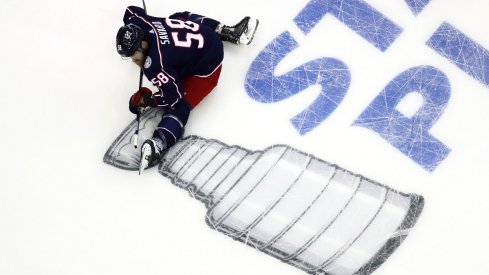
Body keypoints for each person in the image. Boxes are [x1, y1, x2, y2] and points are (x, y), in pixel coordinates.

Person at [116, 6, 259, 172]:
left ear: (143, 43)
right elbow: (130, 11)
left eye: (135, 53)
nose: (133, 59)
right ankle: (225, 30)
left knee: (180, 105)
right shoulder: (140, 22)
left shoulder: (155, 64)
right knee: (179, 17)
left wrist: (147, 100)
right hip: (204, 34)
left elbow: (173, 96)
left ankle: (159, 143)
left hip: (208, 65)